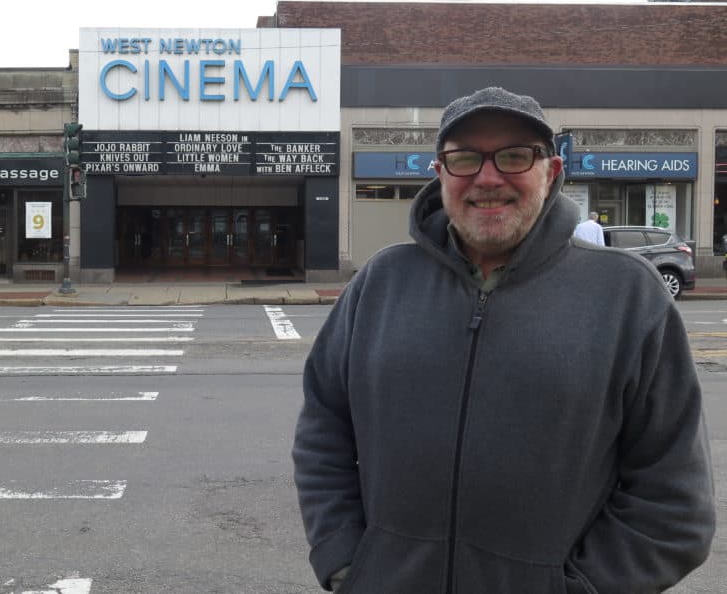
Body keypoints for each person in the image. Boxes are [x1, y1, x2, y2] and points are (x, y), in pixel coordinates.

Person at [292, 86, 714, 593]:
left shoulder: (628, 297)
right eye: (465, 158)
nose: (487, 178)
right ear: (439, 173)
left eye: (515, 156)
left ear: (551, 172)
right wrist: (346, 563)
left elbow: (673, 503)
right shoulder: (379, 284)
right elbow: (322, 429)